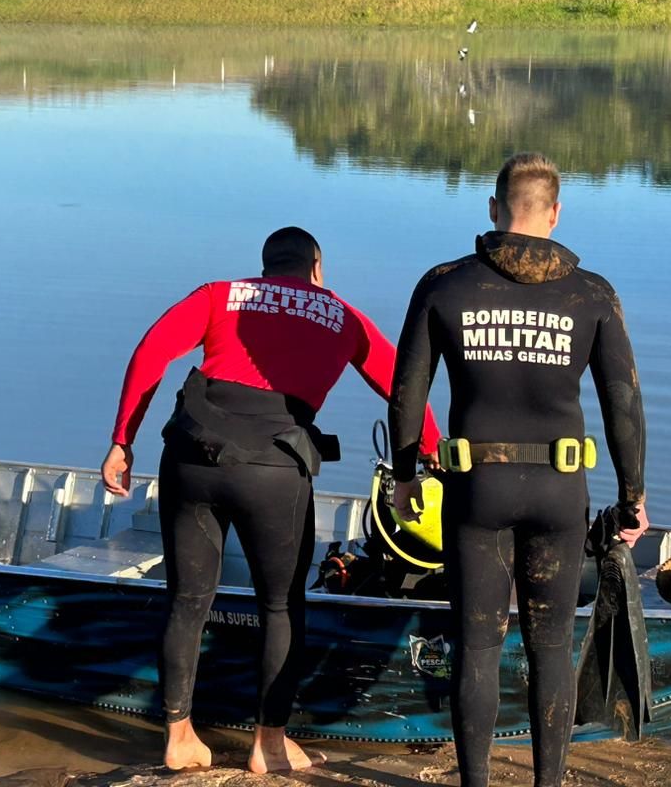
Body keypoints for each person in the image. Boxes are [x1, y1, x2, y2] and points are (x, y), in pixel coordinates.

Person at [100, 226, 441, 774]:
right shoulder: (342, 316)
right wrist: (429, 450)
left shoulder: (219, 295)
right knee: (281, 607)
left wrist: (122, 440)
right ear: (317, 268)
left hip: (190, 457)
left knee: (188, 599)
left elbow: (151, 351)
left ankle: (180, 736)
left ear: (263, 269)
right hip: (273, 471)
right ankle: (270, 745)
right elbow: (404, 384)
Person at [387, 153, 648, 787]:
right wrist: (633, 495)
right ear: (555, 214)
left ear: (493, 208)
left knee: (476, 645)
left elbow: (406, 394)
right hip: (560, 493)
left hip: (477, 488)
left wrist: (404, 478)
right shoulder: (592, 294)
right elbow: (624, 402)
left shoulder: (444, 285)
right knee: (550, 646)